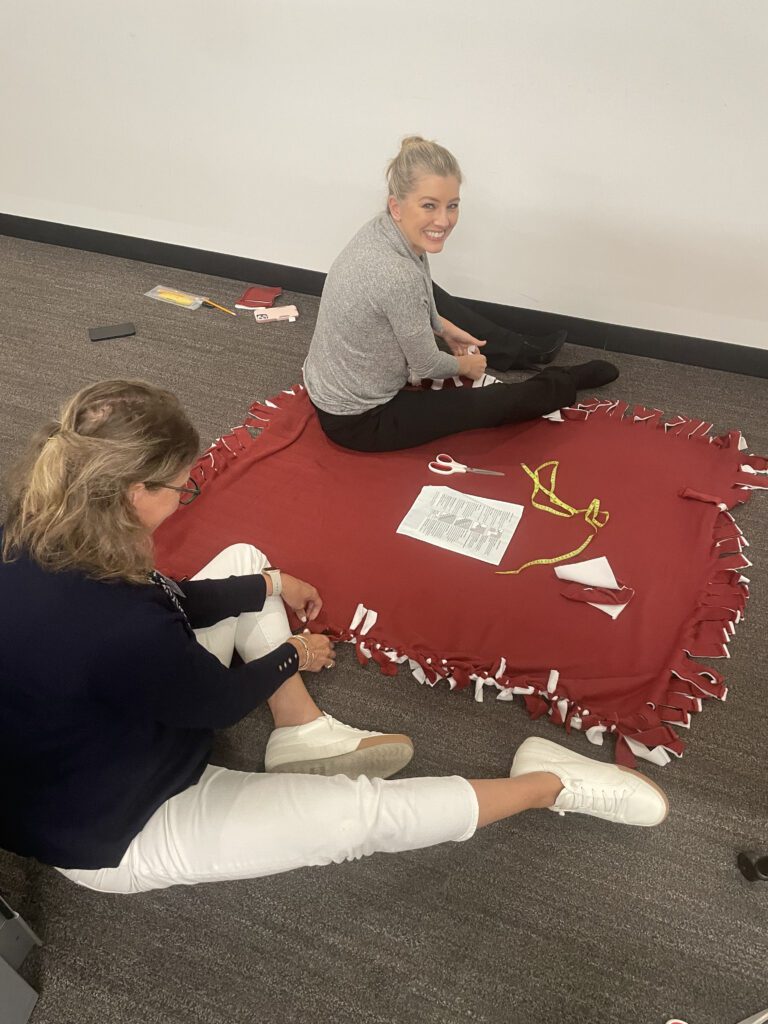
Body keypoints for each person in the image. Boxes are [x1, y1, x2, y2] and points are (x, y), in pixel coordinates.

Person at [0, 380, 668, 895]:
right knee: (357, 821)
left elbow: (168, 600)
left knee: (244, 562)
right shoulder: (119, 625)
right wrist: (293, 651)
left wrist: (268, 585)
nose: (188, 493)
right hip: (115, 829)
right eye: (183, 486)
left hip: (92, 731)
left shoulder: (46, 528)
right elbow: (215, 702)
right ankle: (548, 784)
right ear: (134, 492)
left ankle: (300, 731)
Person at [304, 135, 619, 452]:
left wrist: (444, 330)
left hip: (328, 384)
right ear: (396, 206)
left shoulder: (384, 231)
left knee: (434, 299)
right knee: (487, 406)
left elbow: (419, 293)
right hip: (358, 420)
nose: (444, 220)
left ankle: (518, 351)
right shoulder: (396, 274)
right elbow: (426, 365)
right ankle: (564, 380)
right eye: (429, 205)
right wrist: (465, 368)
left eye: (452, 206)